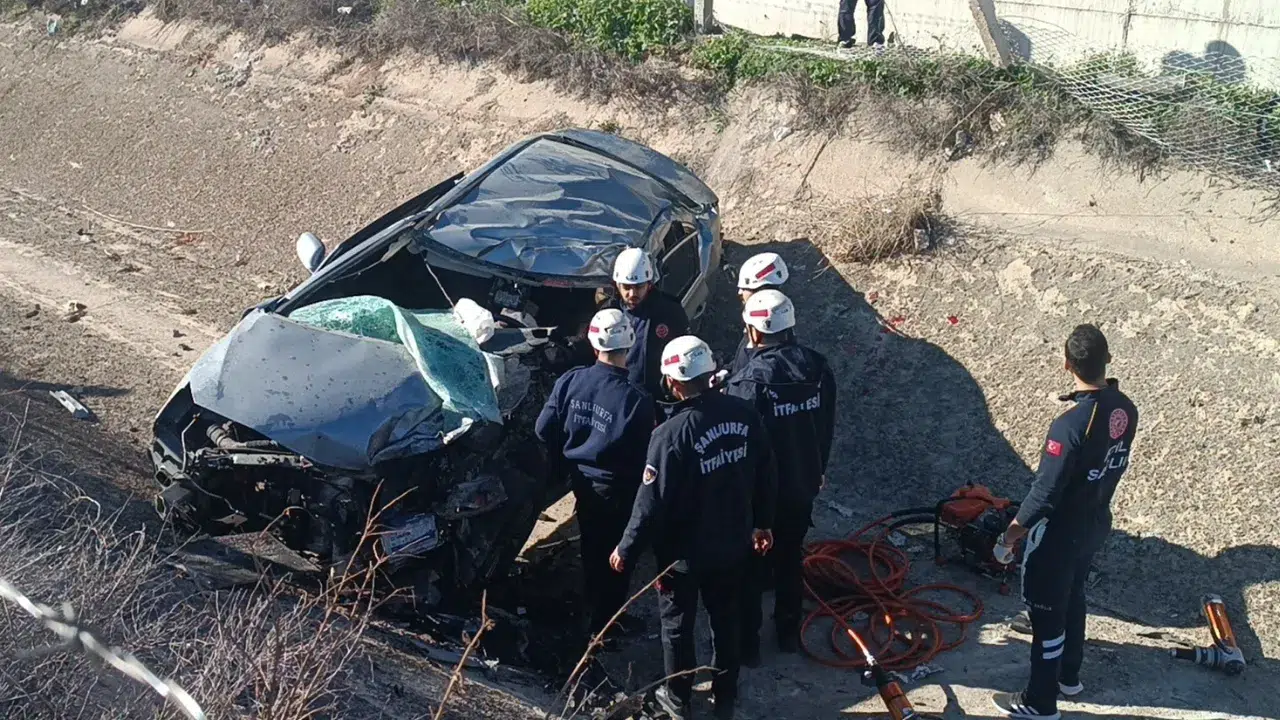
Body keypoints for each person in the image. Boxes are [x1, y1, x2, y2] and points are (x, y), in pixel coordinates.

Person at [609, 335, 777, 720]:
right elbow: (767, 474)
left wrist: (626, 548)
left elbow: (650, 502)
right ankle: (725, 696)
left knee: (677, 627)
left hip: (681, 556)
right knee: (725, 620)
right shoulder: (744, 414)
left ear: (672, 381)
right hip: (732, 543)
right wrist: (763, 523)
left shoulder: (669, 434)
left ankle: (678, 698)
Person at [990, 324, 1139, 720]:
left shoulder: (1069, 425)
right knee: (1073, 597)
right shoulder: (1126, 409)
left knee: (1046, 616)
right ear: (1108, 359)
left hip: (1059, 536)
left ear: (1067, 365)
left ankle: (1039, 702)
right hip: (1094, 524)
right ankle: (1069, 677)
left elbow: (1044, 495)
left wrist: (1008, 538)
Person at [721, 290, 836, 663]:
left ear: (754, 332)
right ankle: (788, 632)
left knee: (751, 569)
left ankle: (749, 646)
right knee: (790, 559)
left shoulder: (750, 382)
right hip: (803, 484)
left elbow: (738, 446)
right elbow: (825, 427)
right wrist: (818, 468)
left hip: (761, 497)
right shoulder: (818, 369)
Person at [534, 309, 657, 639]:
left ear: (592, 342)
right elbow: (646, 457)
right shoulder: (636, 400)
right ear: (629, 343)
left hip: (580, 482)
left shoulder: (570, 381)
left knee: (591, 545)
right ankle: (608, 625)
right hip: (618, 489)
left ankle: (591, 607)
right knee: (618, 555)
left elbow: (543, 430)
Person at [608, 247, 690, 400]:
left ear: (649, 284)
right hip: (620, 395)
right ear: (617, 285)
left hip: (658, 398)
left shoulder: (669, 311)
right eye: (626, 287)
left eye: (639, 287)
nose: (632, 294)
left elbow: (684, 353)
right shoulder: (609, 314)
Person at [725, 252, 790, 374]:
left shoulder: (768, 331)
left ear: (761, 290)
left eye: (745, 288)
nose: (739, 292)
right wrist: (729, 371)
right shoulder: (774, 321)